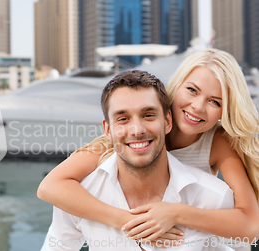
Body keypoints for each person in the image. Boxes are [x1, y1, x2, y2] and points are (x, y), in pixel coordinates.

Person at [37, 49, 259, 248]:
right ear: (177, 86)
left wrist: (176, 213)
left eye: (215, 102)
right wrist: (128, 222)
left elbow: (250, 226)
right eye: (192, 90)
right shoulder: (121, 140)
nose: (198, 106)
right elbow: (50, 187)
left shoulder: (217, 143)